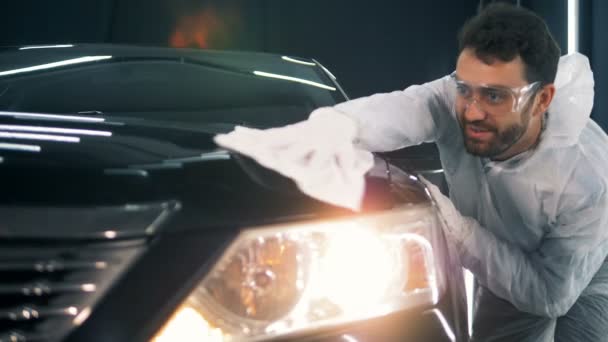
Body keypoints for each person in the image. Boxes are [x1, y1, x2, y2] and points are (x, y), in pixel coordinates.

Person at [215, 3, 608, 341]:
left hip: (579, 277)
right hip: (501, 267)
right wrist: (334, 127)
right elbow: (396, 111)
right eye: (465, 89)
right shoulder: (453, 97)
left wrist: (460, 232)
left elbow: (549, 293)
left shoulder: (588, 178)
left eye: (494, 96)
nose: (471, 111)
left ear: (542, 99)